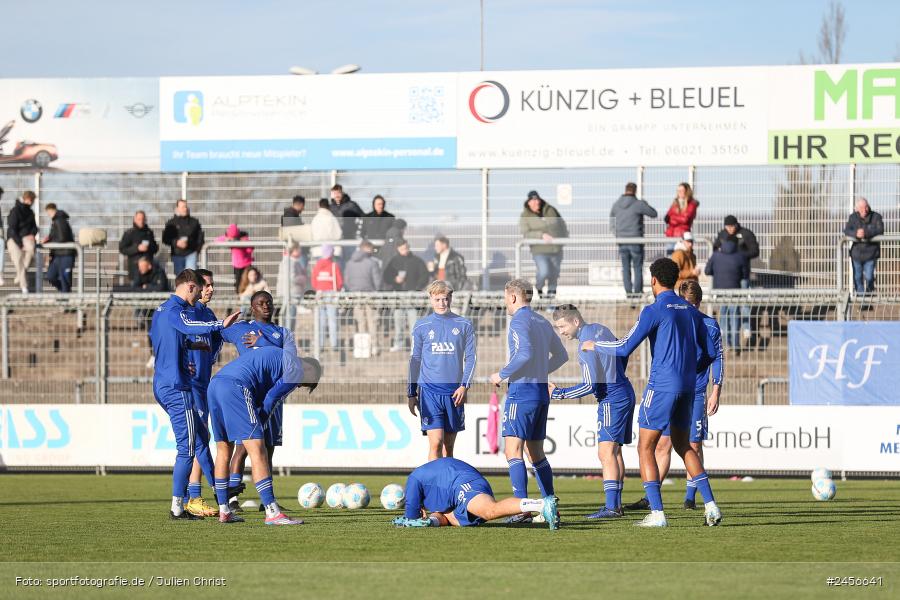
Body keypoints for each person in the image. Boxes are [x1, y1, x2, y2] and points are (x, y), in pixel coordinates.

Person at [582, 258, 722, 528]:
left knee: (645, 447)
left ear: (653, 280)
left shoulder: (653, 310)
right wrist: (689, 371)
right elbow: (710, 354)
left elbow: (623, 347)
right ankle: (711, 505)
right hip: (688, 387)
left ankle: (657, 513)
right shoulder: (691, 311)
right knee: (684, 446)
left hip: (661, 387)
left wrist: (594, 345)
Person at [149, 269, 240, 520]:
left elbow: (164, 339)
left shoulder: (160, 311)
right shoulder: (177, 311)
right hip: (176, 386)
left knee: (200, 437)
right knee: (188, 448)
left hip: (168, 381)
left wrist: (188, 348)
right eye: (199, 290)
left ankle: (221, 494)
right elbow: (188, 325)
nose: (201, 294)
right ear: (190, 287)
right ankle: (179, 506)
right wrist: (219, 324)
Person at [208, 345, 321, 524]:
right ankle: (272, 511)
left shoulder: (281, 356)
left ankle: (224, 510)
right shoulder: (296, 369)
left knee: (223, 450)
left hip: (215, 384)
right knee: (258, 450)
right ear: (308, 369)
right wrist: (259, 424)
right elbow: (271, 399)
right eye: (303, 384)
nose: (298, 385)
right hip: (236, 386)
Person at [489, 279, 568, 523]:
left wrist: (501, 374)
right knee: (536, 453)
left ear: (512, 297)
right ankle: (549, 502)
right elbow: (562, 355)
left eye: (505, 297)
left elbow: (524, 353)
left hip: (521, 392)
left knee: (513, 450)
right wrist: (541, 370)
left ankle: (520, 509)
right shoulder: (542, 321)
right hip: (540, 393)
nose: (505, 302)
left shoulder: (519, 321)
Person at [549, 304, 635, 519]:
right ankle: (616, 504)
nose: (561, 332)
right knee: (615, 452)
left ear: (576, 321)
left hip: (611, 398)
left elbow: (590, 385)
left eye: (562, 326)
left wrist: (558, 393)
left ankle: (612, 507)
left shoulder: (585, 346)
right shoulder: (601, 329)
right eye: (557, 328)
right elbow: (622, 354)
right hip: (625, 390)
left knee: (605, 453)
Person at [219, 290, 299, 512]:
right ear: (252, 307)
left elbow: (291, 360)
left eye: (269, 303)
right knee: (242, 447)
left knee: (269, 448)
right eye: (261, 303)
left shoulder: (283, 333)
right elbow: (217, 333)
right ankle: (232, 499)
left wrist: (263, 342)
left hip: (274, 395)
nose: (266, 306)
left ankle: (267, 501)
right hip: (249, 392)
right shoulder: (242, 328)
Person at [646, 280, 723, 511]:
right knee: (662, 445)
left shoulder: (708, 325)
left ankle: (691, 497)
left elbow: (716, 356)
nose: (687, 307)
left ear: (698, 303)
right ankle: (652, 498)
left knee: (693, 444)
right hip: (673, 390)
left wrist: (716, 390)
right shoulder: (676, 321)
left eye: (691, 304)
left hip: (697, 391)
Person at [407, 281, 476, 461]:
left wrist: (464, 387)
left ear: (451, 299)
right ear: (431, 299)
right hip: (429, 392)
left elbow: (471, 358)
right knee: (435, 443)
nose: (441, 303)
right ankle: (433, 487)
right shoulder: (422, 326)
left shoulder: (464, 325)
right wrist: (411, 393)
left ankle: (446, 487)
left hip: (454, 394)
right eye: (437, 299)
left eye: (445, 299)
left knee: (449, 447)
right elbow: (414, 360)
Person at [392, 457, 559, 530]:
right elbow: (440, 515)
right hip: (467, 482)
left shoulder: (413, 480)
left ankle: (542, 504)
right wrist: (430, 520)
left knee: (490, 510)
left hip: (462, 484)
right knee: (451, 519)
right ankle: (432, 522)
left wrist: (414, 517)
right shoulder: (428, 485)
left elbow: (411, 520)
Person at [182, 269, 223, 517]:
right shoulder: (185, 314)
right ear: (194, 287)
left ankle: (192, 497)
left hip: (204, 383)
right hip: (190, 385)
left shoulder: (209, 315)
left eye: (212, 285)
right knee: (198, 439)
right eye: (206, 285)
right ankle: (193, 496)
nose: (210, 289)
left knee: (200, 439)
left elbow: (216, 344)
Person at [714, 215, 758, 342]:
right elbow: (715, 248)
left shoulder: (746, 234)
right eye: (727, 227)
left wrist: (740, 256)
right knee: (725, 304)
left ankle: (746, 327)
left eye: (732, 226)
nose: (730, 229)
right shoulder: (722, 234)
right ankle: (723, 329)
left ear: (736, 225)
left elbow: (755, 251)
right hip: (728, 275)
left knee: (743, 301)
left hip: (743, 274)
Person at [610, 182, 658, 297]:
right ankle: (637, 294)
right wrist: (645, 203)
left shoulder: (616, 205)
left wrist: (618, 234)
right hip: (636, 241)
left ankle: (629, 294)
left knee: (625, 268)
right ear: (635, 191)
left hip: (622, 241)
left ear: (625, 190)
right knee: (637, 268)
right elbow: (653, 213)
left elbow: (612, 223)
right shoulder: (638, 204)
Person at [519, 190, 567, 299]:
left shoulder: (550, 210)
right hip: (539, 250)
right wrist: (541, 235)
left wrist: (564, 238)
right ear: (529, 202)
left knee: (554, 275)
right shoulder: (525, 216)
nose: (536, 203)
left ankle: (550, 301)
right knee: (544, 271)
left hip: (556, 249)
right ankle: (539, 287)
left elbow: (561, 224)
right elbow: (526, 233)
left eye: (537, 200)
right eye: (533, 200)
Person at [383, 240, 429, 352]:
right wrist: (395, 279)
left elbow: (424, 276)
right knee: (398, 321)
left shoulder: (417, 261)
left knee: (414, 322)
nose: (405, 251)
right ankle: (399, 343)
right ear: (398, 249)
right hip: (399, 296)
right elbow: (386, 276)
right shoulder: (393, 261)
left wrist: (417, 288)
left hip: (412, 296)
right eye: (403, 249)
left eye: (406, 248)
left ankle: (416, 345)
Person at [704, 240, 749, 351]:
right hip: (735, 291)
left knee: (723, 316)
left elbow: (707, 271)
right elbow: (745, 274)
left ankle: (726, 344)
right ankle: (736, 345)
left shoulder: (716, 256)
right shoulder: (740, 256)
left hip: (720, 292)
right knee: (734, 316)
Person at [344, 240, 382, 356]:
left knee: (360, 321)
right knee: (372, 321)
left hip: (356, 294)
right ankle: (374, 346)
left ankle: (363, 348)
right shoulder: (372, 263)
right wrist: (377, 290)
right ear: (367, 249)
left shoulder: (349, 263)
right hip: (370, 294)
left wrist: (352, 289)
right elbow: (377, 281)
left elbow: (347, 280)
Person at [843, 197, 884, 295]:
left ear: (868, 206)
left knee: (869, 277)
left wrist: (866, 233)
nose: (864, 210)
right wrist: (855, 234)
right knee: (857, 277)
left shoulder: (876, 217)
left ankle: (869, 296)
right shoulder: (853, 217)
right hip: (856, 254)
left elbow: (880, 230)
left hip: (871, 253)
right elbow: (846, 230)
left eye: (865, 207)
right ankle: (863, 301)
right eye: (861, 208)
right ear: (857, 209)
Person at [311, 244, 342, 352]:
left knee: (321, 320)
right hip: (331, 293)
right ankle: (334, 345)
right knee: (332, 319)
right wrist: (337, 289)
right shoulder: (334, 265)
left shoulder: (317, 265)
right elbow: (339, 282)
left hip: (319, 293)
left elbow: (314, 281)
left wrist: (318, 288)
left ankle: (320, 344)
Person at [7, 190, 38, 294]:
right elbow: (12, 229)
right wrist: (20, 244)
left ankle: (20, 276)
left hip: (26, 238)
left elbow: (34, 227)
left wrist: (32, 234)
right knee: (19, 261)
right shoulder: (15, 211)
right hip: (14, 239)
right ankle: (24, 287)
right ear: (28, 199)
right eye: (32, 200)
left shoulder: (30, 212)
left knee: (31, 251)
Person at [162, 199, 204, 274]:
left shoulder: (194, 222)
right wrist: (176, 243)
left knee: (191, 278)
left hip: (191, 254)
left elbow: (200, 238)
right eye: (182, 207)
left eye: (186, 206)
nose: (185, 208)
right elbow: (165, 239)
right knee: (180, 279)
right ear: (177, 209)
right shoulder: (171, 223)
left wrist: (196, 250)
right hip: (177, 255)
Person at [42, 203, 76, 293]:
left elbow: (62, 238)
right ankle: (64, 293)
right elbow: (55, 237)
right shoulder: (55, 221)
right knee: (50, 276)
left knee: (65, 278)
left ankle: (65, 298)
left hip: (66, 254)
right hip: (57, 255)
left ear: (51, 210)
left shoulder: (60, 220)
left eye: (48, 212)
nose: (48, 214)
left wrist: (48, 242)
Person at [119, 210, 159, 282]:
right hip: (135, 269)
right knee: (135, 291)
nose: (141, 221)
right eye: (139, 219)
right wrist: (137, 248)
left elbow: (155, 248)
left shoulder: (149, 232)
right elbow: (122, 249)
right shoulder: (129, 233)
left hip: (149, 269)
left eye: (143, 219)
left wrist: (148, 247)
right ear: (134, 219)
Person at [329, 184, 364, 266]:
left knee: (349, 262)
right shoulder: (330, 207)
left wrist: (359, 231)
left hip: (350, 238)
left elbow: (363, 217)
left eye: (339, 192)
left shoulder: (351, 205)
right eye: (335, 193)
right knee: (337, 264)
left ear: (342, 193)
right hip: (336, 240)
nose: (337, 195)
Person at [216, 224, 253, 292]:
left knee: (248, 281)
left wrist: (242, 244)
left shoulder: (243, 238)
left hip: (246, 264)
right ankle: (239, 296)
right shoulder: (228, 238)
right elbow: (217, 240)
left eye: (234, 238)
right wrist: (227, 239)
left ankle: (247, 295)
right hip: (237, 265)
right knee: (238, 283)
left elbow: (250, 249)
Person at [664, 182, 699, 252]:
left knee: (680, 259)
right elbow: (667, 217)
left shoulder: (692, 204)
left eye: (681, 190)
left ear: (687, 191)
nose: (679, 192)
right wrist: (674, 218)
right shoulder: (675, 203)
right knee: (670, 260)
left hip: (682, 236)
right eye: (678, 190)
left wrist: (672, 218)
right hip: (670, 235)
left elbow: (685, 219)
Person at [276, 244, 308, 319]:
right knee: (289, 319)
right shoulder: (289, 262)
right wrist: (302, 278)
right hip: (289, 295)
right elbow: (291, 278)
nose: (300, 251)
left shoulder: (294, 262)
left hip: (292, 294)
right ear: (293, 251)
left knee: (291, 319)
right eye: (298, 249)